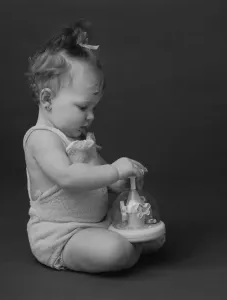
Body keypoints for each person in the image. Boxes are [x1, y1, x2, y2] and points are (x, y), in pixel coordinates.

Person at [23, 19, 161, 274]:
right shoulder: (41, 138)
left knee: (151, 234)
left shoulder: (80, 138)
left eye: (93, 108)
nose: (90, 116)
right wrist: (115, 170)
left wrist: (118, 184)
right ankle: (127, 247)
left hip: (96, 224)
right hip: (62, 234)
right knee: (116, 252)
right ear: (47, 99)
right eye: (82, 107)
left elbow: (98, 174)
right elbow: (68, 177)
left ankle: (129, 240)